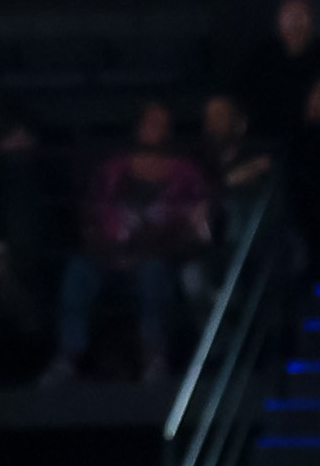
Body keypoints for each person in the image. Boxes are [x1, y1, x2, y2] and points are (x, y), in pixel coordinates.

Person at [44, 101, 211, 387]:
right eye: (152, 123)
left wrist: (157, 246)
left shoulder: (185, 173)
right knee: (78, 270)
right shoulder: (112, 170)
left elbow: (196, 220)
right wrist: (106, 251)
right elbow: (90, 217)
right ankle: (68, 357)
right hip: (109, 255)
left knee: (154, 273)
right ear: (139, 127)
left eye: (164, 124)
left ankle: (154, 357)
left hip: (156, 256)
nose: (158, 130)